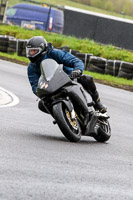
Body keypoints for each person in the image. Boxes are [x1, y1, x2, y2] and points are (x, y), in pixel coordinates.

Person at [26, 36, 106, 115]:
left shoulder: (55, 53)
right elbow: (34, 84)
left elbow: (75, 61)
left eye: (34, 51)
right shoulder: (31, 67)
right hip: (52, 87)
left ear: (42, 49)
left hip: (68, 78)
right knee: (42, 104)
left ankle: (98, 103)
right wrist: (39, 92)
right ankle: (61, 116)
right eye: (30, 51)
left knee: (86, 79)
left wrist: (77, 70)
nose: (31, 53)